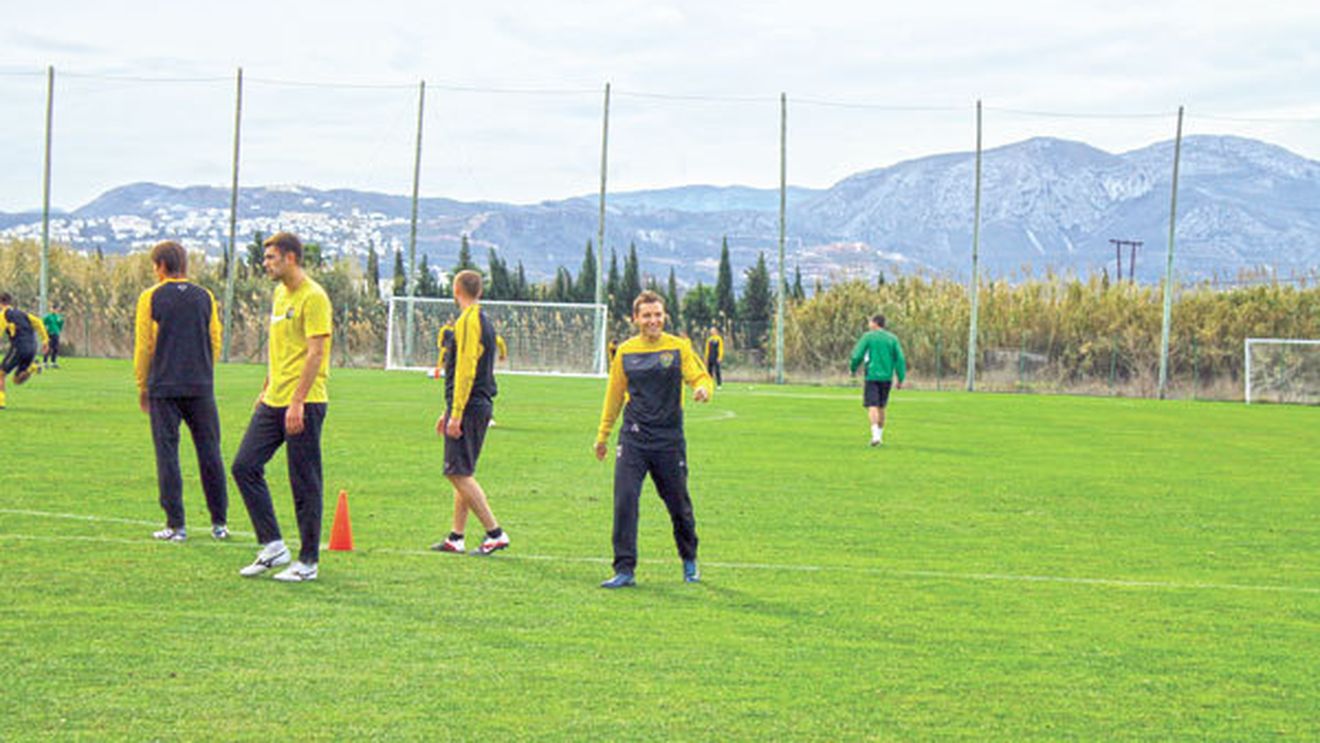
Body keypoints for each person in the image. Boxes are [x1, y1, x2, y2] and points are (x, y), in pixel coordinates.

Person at [232, 232, 333, 582]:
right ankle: (273, 545)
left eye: (271, 257)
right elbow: (280, 349)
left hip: (304, 401)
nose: (265, 263)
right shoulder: (278, 294)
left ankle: (308, 562)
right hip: (274, 399)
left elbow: (315, 353)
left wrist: (297, 401)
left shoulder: (314, 297)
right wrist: (266, 388)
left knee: (303, 480)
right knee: (244, 466)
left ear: (290, 258)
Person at [594, 290, 713, 589]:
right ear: (635, 318)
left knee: (678, 504)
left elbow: (699, 376)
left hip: (669, 440)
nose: (653, 320)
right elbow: (614, 396)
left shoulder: (678, 347)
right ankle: (624, 569)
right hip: (633, 438)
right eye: (646, 315)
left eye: (657, 314)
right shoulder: (625, 352)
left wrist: (702, 389)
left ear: (665, 316)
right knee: (625, 501)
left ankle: (689, 560)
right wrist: (603, 435)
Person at [133, 241, 229, 542]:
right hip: (201, 386)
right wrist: (203, 369)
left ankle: (176, 525)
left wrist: (142, 384)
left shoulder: (150, 297)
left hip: (164, 386)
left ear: (160, 265)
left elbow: (144, 346)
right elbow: (216, 339)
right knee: (210, 451)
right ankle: (219, 523)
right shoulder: (205, 296)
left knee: (168, 454)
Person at [430, 270, 509, 556]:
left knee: (457, 473)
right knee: (463, 470)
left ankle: (495, 533)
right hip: (476, 403)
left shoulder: (467, 321)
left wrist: (456, 413)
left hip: (471, 405)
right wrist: (447, 409)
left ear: (456, 289)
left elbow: (465, 369)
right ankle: (457, 536)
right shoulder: (483, 320)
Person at [849, 313, 906, 447]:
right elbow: (900, 359)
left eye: (870, 322)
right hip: (887, 377)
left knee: (872, 405)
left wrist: (853, 368)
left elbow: (857, 355)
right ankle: (879, 436)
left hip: (872, 375)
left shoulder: (868, 337)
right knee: (882, 406)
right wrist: (900, 377)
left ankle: (875, 436)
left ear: (875, 323)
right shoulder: (892, 339)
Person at [0, 292, 49, 410]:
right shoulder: (23, 314)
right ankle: (32, 368)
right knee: (17, 380)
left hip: (19, 347)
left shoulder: (3, 315)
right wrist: (45, 340)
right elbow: (39, 322)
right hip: (32, 347)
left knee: (1, 374)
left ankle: (0, 403)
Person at [42, 304, 64, 369]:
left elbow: (60, 325)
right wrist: (46, 330)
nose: (54, 310)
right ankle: (45, 362)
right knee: (48, 348)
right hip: (49, 334)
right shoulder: (48, 317)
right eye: (53, 309)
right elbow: (43, 323)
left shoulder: (59, 317)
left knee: (55, 348)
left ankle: (53, 362)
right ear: (51, 309)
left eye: (56, 309)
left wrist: (58, 331)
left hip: (56, 334)